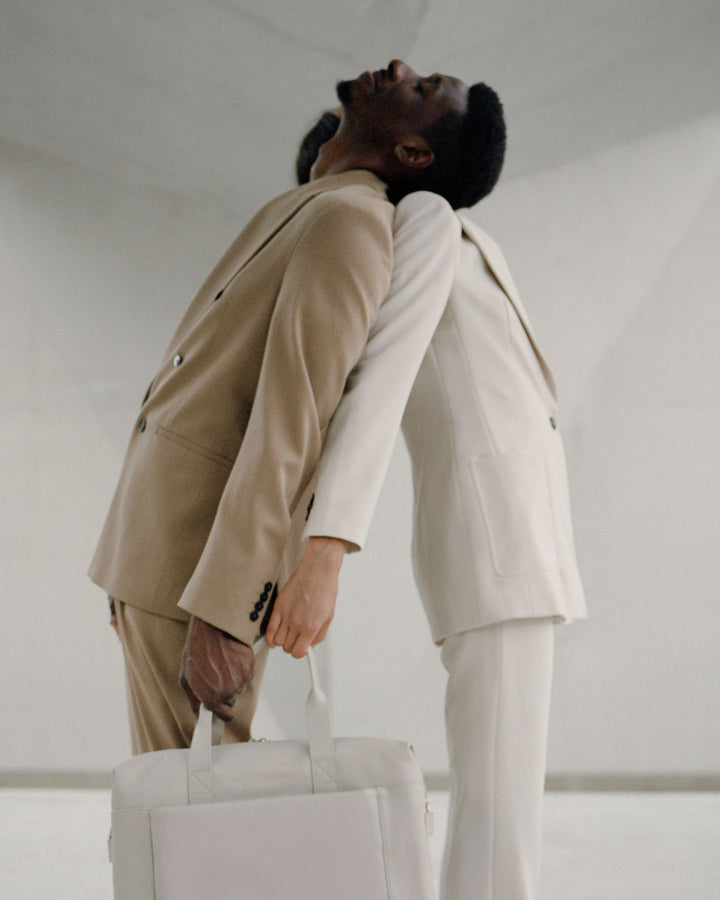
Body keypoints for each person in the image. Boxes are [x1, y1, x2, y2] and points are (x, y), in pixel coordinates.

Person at [89, 59, 499, 753]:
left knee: (191, 828)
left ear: (412, 153)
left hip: (195, 575)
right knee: (166, 823)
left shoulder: (353, 225)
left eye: (422, 89)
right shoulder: (317, 209)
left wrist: (225, 613)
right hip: (159, 555)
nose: (400, 66)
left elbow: (293, 425)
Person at [266, 109, 587, 900]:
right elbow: (381, 381)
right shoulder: (425, 216)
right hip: (498, 548)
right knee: (498, 823)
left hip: (515, 549)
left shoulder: (453, 227)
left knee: (498, 812)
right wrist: (326, 548)